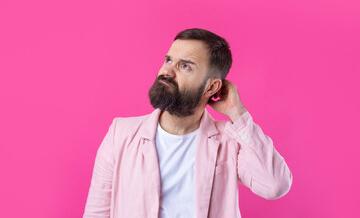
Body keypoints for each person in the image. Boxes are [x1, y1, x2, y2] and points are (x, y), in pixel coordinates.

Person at [83, 28, 293, 218]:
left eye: (185, 66)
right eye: (168, 60)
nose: (167, 71)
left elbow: (275, 185)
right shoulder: (121, 133)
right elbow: (96, 213)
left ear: (212, 88)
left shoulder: (230, 140)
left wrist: (238, 114)